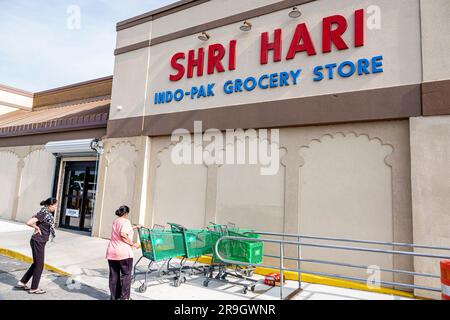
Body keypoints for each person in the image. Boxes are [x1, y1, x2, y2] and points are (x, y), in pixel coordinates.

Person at [16, 198, 57, 294]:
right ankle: (34, 288)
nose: (56, 207)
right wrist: (36, 227)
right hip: (38, 241)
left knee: (36, 264)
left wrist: (37, 224)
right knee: (39, 265)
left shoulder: (44, 213)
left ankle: (22, 282)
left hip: (39, 241)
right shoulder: (44, 213)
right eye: (55, 206)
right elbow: (29, 222)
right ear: (49, 205)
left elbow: (35, 217)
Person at [106, 205, 141, 300]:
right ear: (126, 213)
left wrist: (135, 227)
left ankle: (114, 297)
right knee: (126, 275)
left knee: (114, 275)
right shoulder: (126, 221)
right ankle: (125, 298)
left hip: (112, 251)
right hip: (123, 253)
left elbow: (121, 229)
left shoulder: (116, 221)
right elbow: (123, 234)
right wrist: (133, 244)